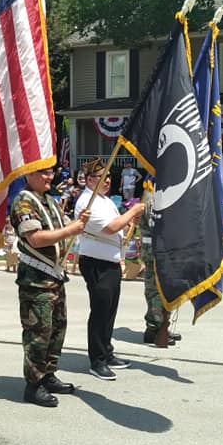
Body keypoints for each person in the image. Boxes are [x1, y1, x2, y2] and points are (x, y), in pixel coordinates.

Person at [10, 161, 90, 407]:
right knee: (38, 332)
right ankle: (33, 384)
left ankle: (48, 374)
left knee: (56, 329)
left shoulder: (50, 201)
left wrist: (76, 224)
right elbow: (35, 238)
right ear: (30, 174)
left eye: (51, 171)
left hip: (54, 277)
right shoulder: (23, 202)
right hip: (36, 280)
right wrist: (71, 230)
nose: (49, 176)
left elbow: (63, 228)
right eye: (43, 172)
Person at [74, 158, 145, 381]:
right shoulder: (87, 201)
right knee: (100, 311)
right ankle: (97, 360)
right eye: (101, 178)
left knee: (110, 310)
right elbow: (111, 227)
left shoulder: (104, 200)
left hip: (110, 261)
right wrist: (133, 211)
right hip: (96, 262)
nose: (107, 181)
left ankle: (107, 351)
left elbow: (119, 225)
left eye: (108, 178)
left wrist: (131, 219)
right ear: (89, 180)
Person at [139, 179, 181, 347]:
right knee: (155, 292)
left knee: (165, 290)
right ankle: (154, 328)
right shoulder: (151, 198)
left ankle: (163, 323)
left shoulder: (164, 195)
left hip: (165, 251)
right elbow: (156, 223)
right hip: (155, 253)